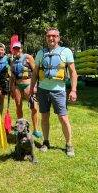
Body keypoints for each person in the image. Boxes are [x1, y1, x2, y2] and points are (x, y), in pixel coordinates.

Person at [30, 27, 77, 157]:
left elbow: (73, 72)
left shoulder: (66, 51)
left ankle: (69, 144)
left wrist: (73, 90)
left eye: (54, 36)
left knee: (63, 117)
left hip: (59, 91)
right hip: (43, 90)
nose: (51, 38)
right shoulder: (40, 53)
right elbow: (35, 73)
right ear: (46, 38)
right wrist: (32, 87)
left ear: (59, 38)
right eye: (49, 36)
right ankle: (46, 142)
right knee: (44, 116)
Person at [10, 41, 41, 138]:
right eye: (14, 48)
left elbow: (36, 72)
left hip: (28, 84)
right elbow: (12, 76)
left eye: (18, 48)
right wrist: (11, 88)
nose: (16, 50)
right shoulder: (13, 61)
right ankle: (20, 129)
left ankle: (35, 130)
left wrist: (35, 85)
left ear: (21, 49)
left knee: (34, 107)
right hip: (17, 85)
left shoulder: (28, 57)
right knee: (18, 106)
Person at [0, 43, 10, 115]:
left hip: (3, 82)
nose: (0, 51)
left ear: (4, 51)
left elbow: (12, 68)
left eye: (2, 50)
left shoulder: (7, 59)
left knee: (1, 100)